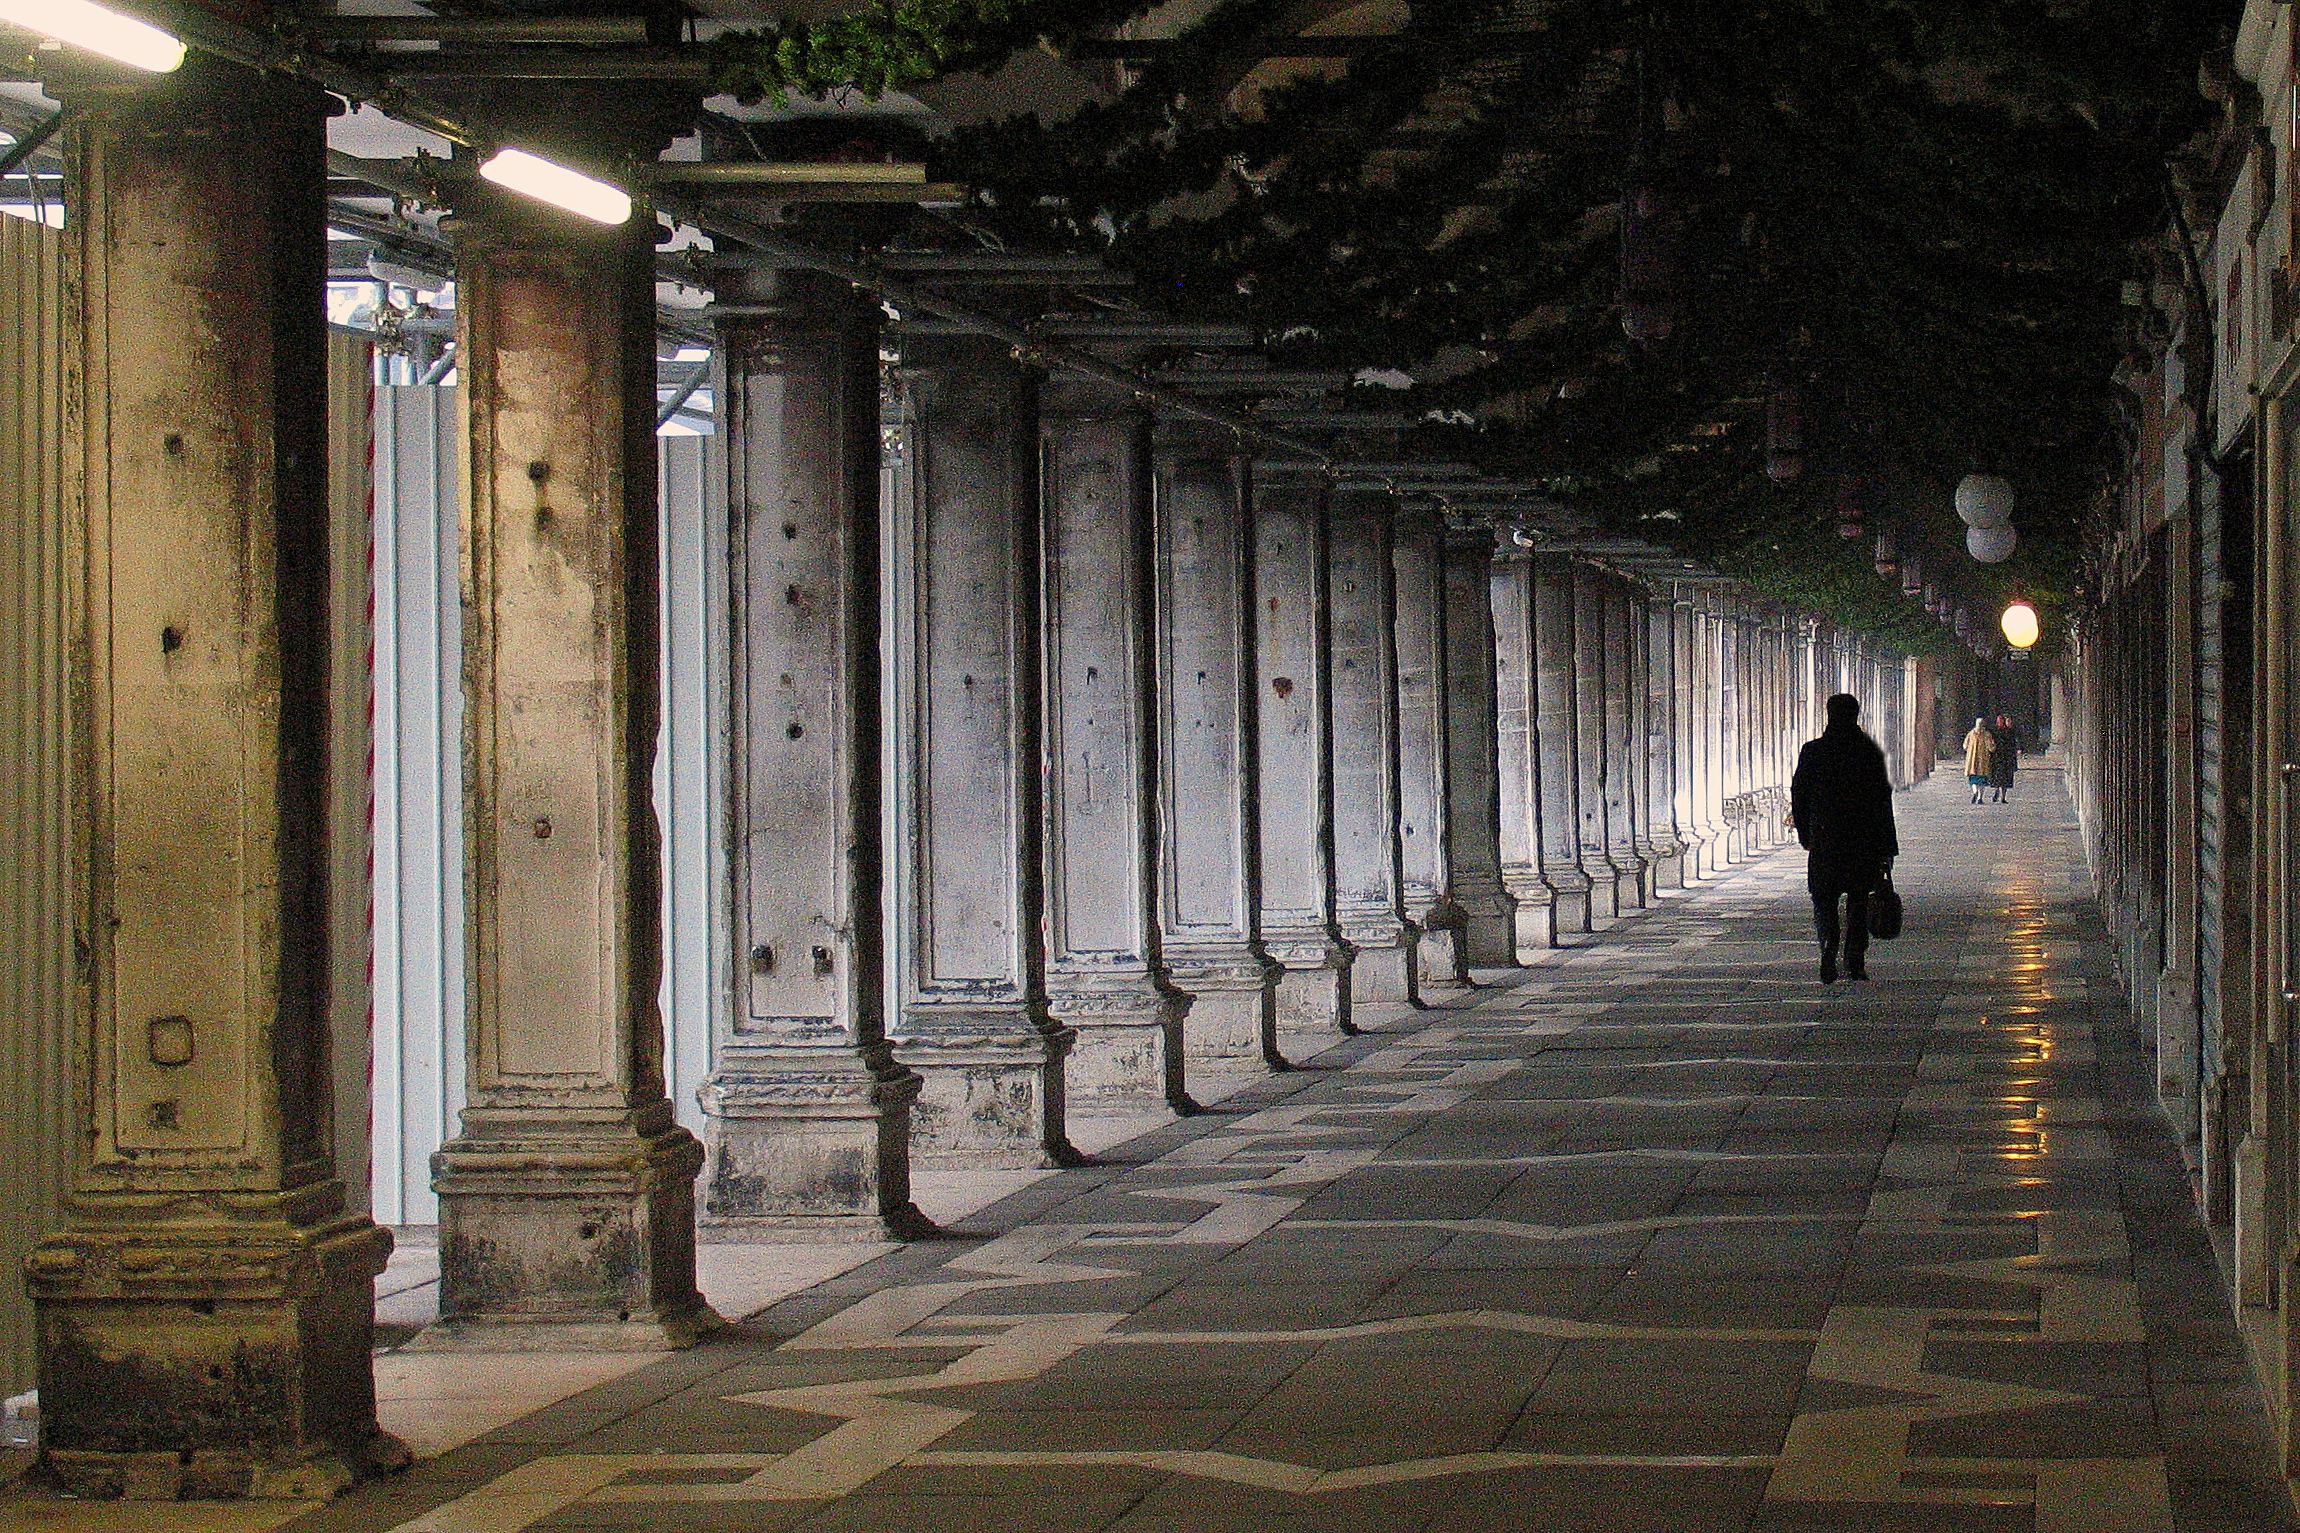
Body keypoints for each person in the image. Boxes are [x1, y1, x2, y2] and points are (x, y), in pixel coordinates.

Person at [1792, 693, 1899, 984]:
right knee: (1859, 901)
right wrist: (1887, 845)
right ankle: (1855, 959)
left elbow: (1799, 794)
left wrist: (1805, 832)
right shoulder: (1867, 751)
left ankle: (1828, 943)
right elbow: (1881, 800)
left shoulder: (1813, 751)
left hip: (1826, 838)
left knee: (1823, 897)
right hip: (1862, 840)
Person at [1988, 714, 2020, 803]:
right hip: (1997, 757)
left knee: (2006, 777)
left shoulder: (2010, 731)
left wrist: (2017, 749)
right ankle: (1997, 791)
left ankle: (2003, 797)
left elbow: (2015, 741)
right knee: (1997, 776)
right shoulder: (1993, 731)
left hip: (2007, 757)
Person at [1961, 716, 1994, 805]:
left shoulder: (1971, 734)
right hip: (1982, 760)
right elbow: (1991, 747)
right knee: (1982, 779)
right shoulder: (1987, 735)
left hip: (1972, 760)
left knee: (1973, 778)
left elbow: (1965, 746)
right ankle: (1980, 797)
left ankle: (1975, 792)